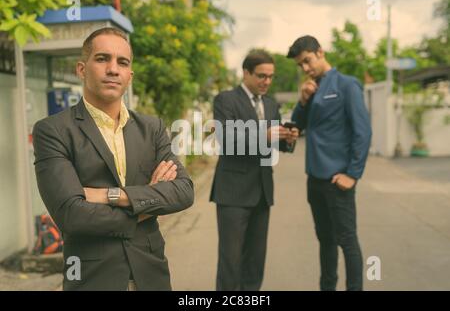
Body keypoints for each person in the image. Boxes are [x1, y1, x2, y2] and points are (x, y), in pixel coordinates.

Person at [32, 27, 194, 291]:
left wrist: (113, 196)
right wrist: (147, 202)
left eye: (122, 62)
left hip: (152, 276)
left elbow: (184, 191)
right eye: (102, 58)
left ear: (129, 75)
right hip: (93, 278)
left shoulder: (151, 128)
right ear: (81, 69)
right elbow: (72, 216)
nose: (113, 69)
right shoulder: (53, 131)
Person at [210, 49, 299, 291]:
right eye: (261, 76)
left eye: (270, 77)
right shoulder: (225, 100)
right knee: (231, 260)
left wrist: (288, 139)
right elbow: (226, 139)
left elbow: (276, 143)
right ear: (246, 73)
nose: (266, 82)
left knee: (256, 261)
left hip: (262, 191)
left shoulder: (271, 105)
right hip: (233, 193)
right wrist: (264, 134)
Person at [287, 35, 372, 291]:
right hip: (314, 179)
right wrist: (302, 100)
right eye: (300, 65)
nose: (305, 68)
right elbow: (297, 126)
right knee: (325, 240)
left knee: (347, 240)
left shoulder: (347, 85)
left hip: (338, 180)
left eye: (307, 61)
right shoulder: (311, 88)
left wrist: (353, 174)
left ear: (320, 53)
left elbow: (363, 132)